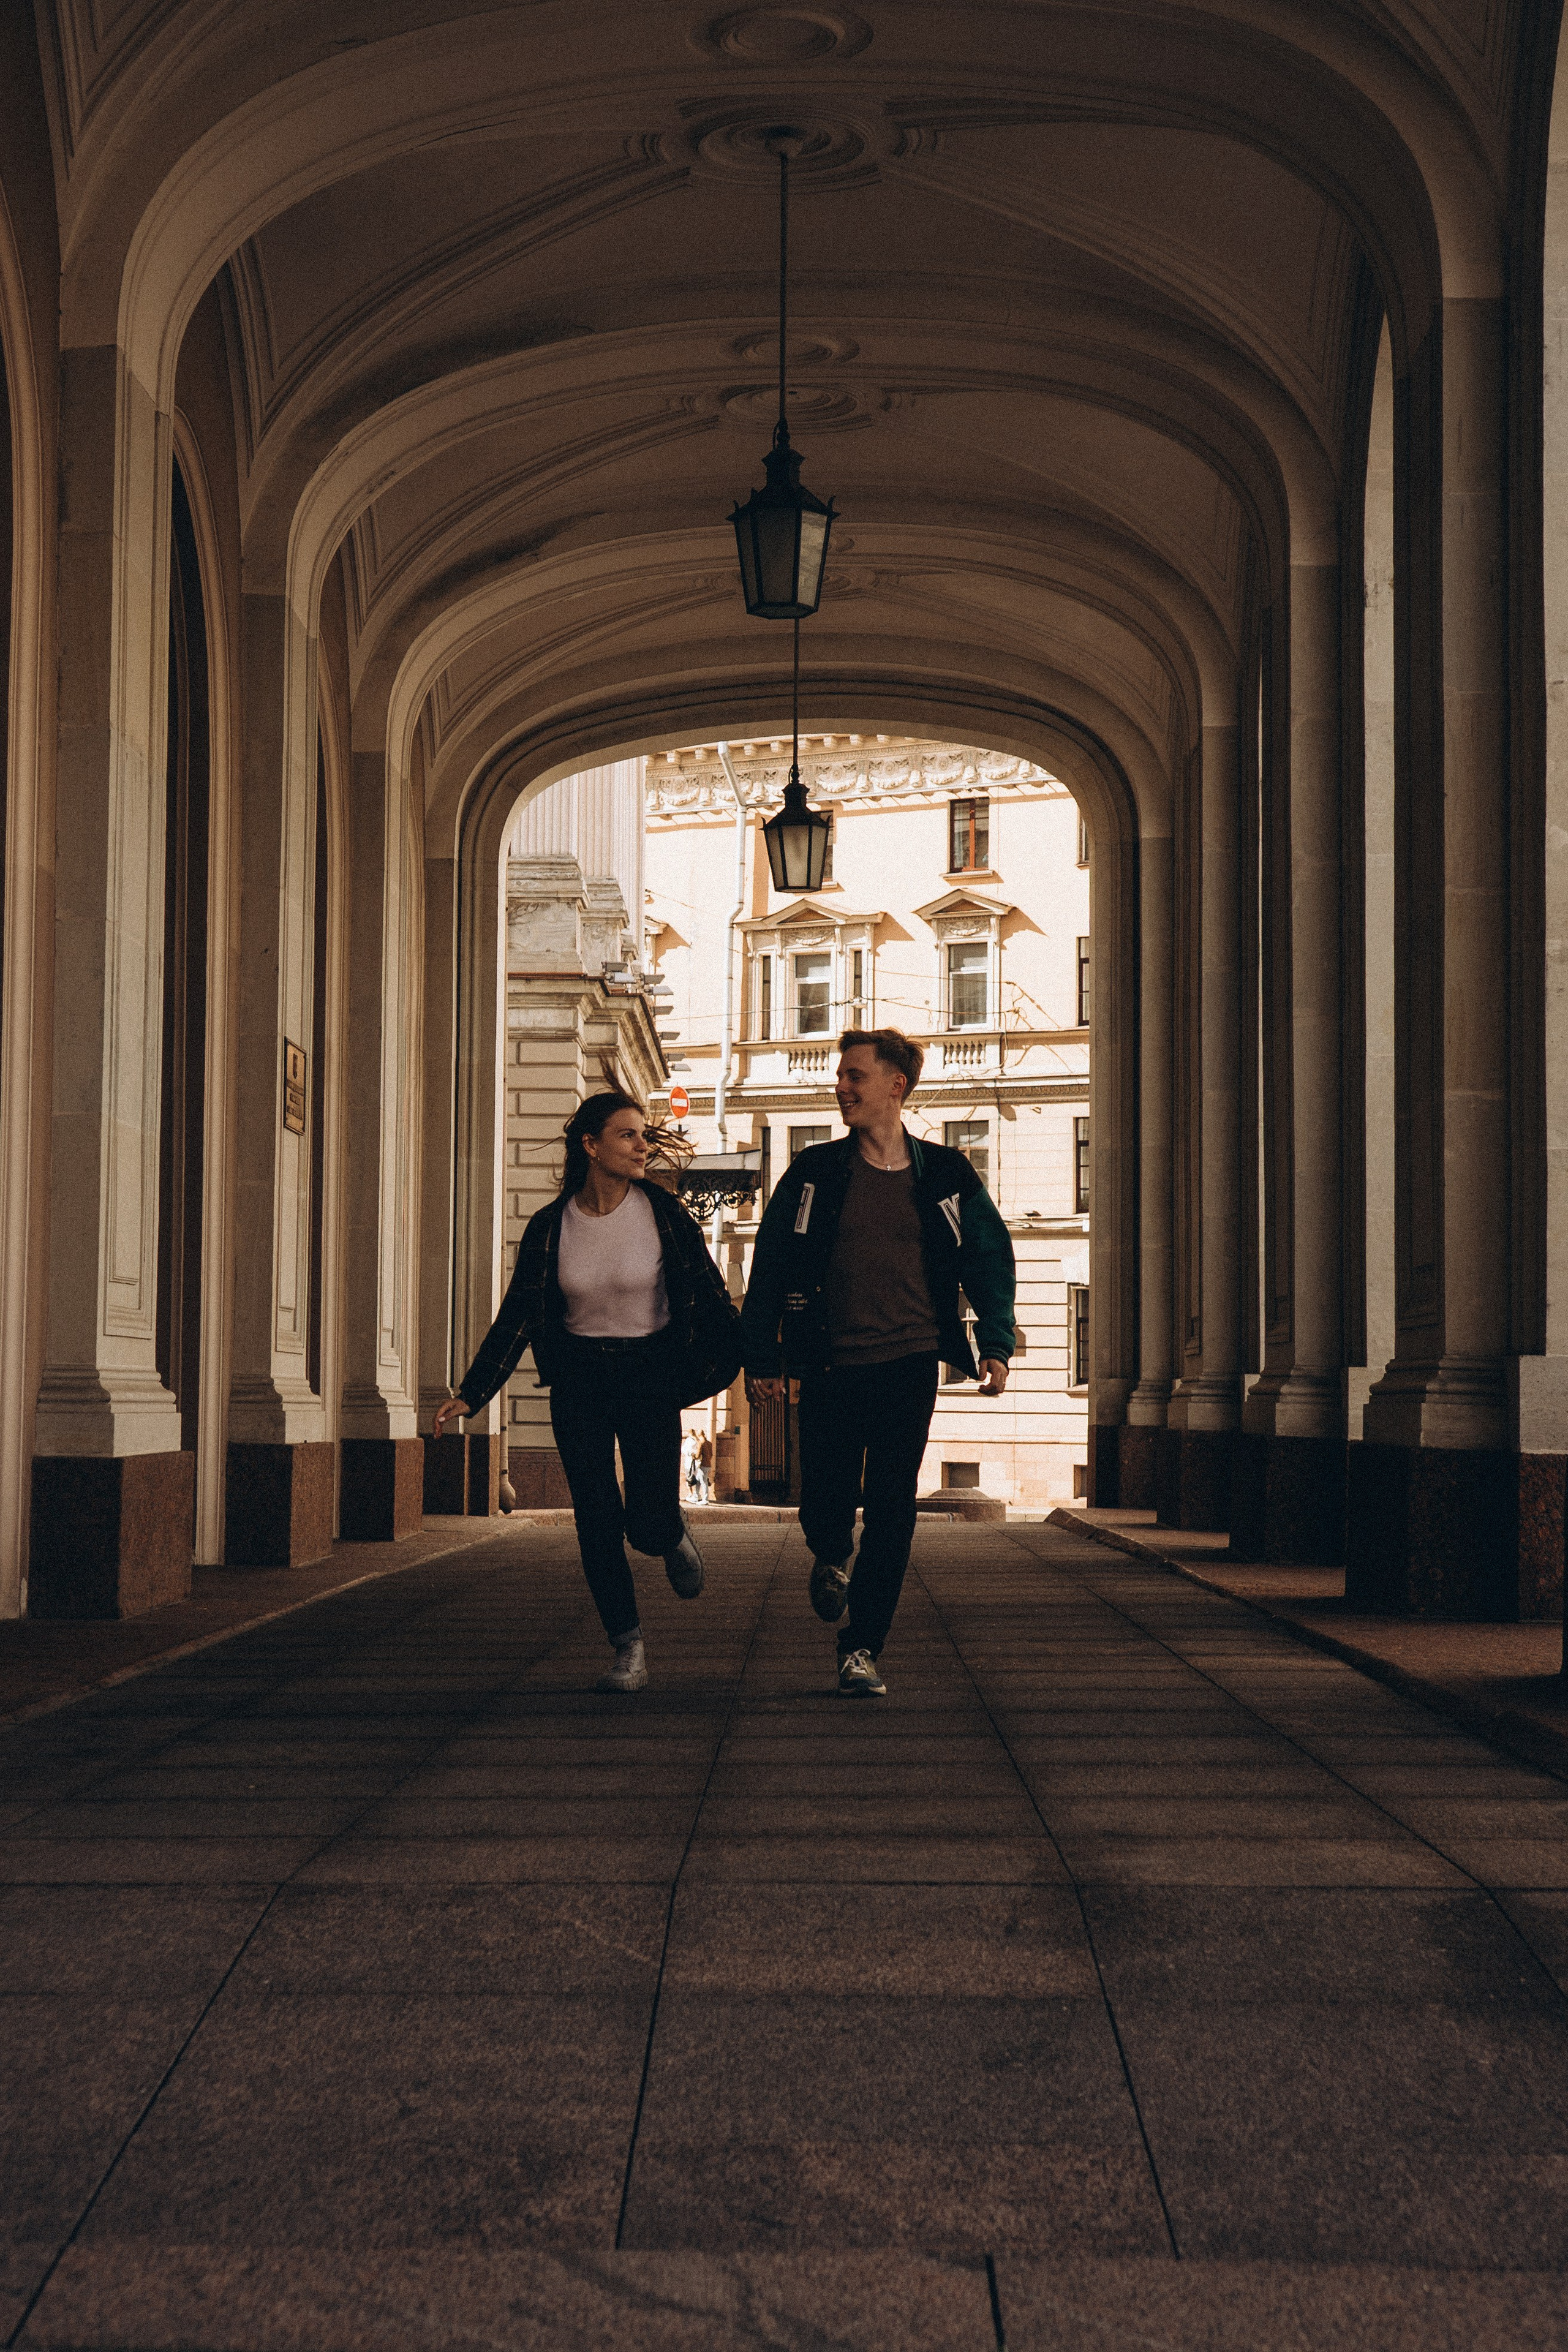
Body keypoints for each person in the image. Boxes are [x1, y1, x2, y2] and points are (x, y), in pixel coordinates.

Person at [434, 1091, 741, 1693]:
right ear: (591, 1146)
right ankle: (628, 1647)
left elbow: (709, 1296)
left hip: (650, 1374)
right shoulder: (553, 1226)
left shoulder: (663, 1214)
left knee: (646, 1525)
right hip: (580, 1383)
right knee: (596, 1519)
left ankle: (669, 1533)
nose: (642, 1147)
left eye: (644, 1136)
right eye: (628, 1136)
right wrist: (473, 1393)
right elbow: (518, 1314)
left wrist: (755, 1363)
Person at [742, 1029, 1015, 1696]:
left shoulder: (946, 1173)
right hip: (829, 1364)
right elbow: (771, 1265)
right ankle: (831, 1552)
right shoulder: (814, 1172)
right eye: (841, 1076)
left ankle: (862, 1646)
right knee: (827, 1503)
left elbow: (987, 1254)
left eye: (855, 1077)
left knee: (894, 1509)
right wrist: (762, 1355)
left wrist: (997, 1345)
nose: (841, 1087)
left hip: (910, 1362)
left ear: (896, 1086)